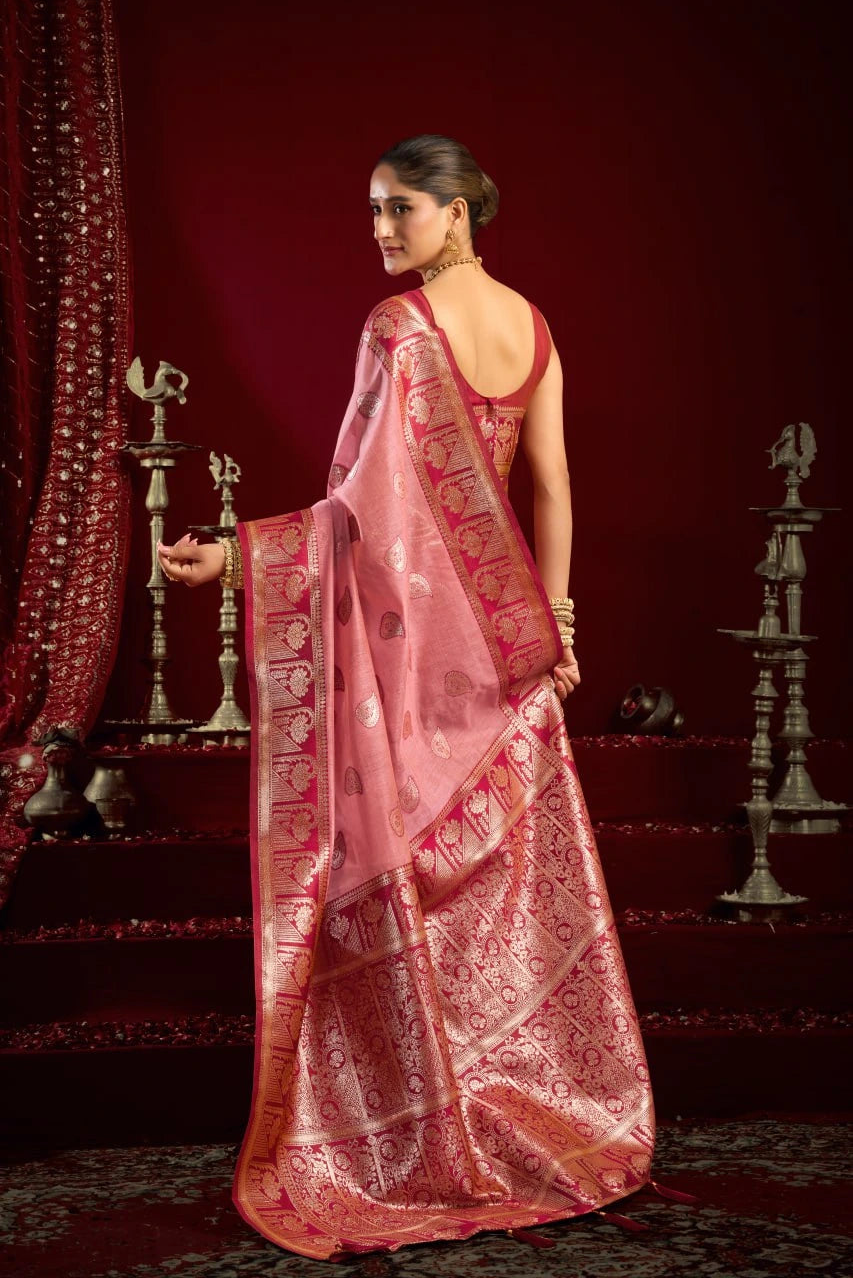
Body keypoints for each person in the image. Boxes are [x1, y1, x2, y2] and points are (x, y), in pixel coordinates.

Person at [158, 134, 654, 1262]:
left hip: (420, 650)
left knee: (408, 873)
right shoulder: (532, 326)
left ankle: (423, 1127)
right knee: (493, 899)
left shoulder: (398, 331)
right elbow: (551, 485)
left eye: (398, 210)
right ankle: (505, 1107)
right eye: (373, 213)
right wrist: (558, 629)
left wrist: (237, 559)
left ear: (459, 211)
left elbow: (352, 511)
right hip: (503, 645)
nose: (380, 232)